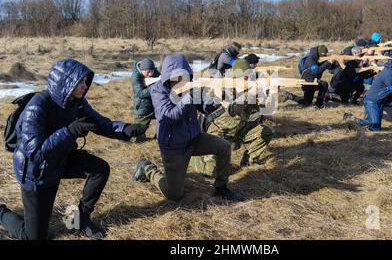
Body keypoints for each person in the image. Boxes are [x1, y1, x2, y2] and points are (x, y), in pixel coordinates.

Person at [0, 59, 146, 240]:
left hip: (60, 157)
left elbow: (100, 123)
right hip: (36, 172)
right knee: (34, 237)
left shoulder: (76, 102)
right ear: (66, 83)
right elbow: (36, 154)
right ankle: (1, 212)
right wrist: (69, 131)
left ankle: (81, 216)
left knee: (99, 169)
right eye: (81, 82)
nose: (86, 86)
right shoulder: (36, 107)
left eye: (86, 81)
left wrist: (125, 129)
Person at [132, 54, 243, 202]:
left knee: (224, 146)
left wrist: (218, 98)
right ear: (168, 76)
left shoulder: (190, 86)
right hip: (174, 146)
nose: (180, 80)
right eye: (176, 77)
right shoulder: (158, 91)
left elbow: (205, 108)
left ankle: (221, 188)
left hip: (194, 138)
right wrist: (189, 97)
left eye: (183, 76)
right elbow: (169, 117)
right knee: (174, 195)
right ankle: (147, 168)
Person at [190, 59, 275, 176]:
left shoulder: (249, 88)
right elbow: (232, 110)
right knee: (210, 173)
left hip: (238, 130)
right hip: (217, 133)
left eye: (249, 75)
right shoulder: (224, 88)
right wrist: (250, 94)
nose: (248, 79)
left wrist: (269, 93)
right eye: (244, 76)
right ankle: (193, 157)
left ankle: (249, 162)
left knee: (266, 132)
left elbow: (263, 111)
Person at [343, 52, 392, 131]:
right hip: (373, 101)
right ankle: (351, 119)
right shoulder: (388, 74)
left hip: (384, 99)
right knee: (375, 128)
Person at [131, 58, 161, 142]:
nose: (150, 74)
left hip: (155, 104)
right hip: (143, 106)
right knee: (136, 136)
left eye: (152, 71)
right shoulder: (135, 76)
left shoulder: (154, 71)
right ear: (141, 70)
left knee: (164, 120)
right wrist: (155, 87)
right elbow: (140, 93)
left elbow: (160, 80)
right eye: (148, 72)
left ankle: (159, 137)